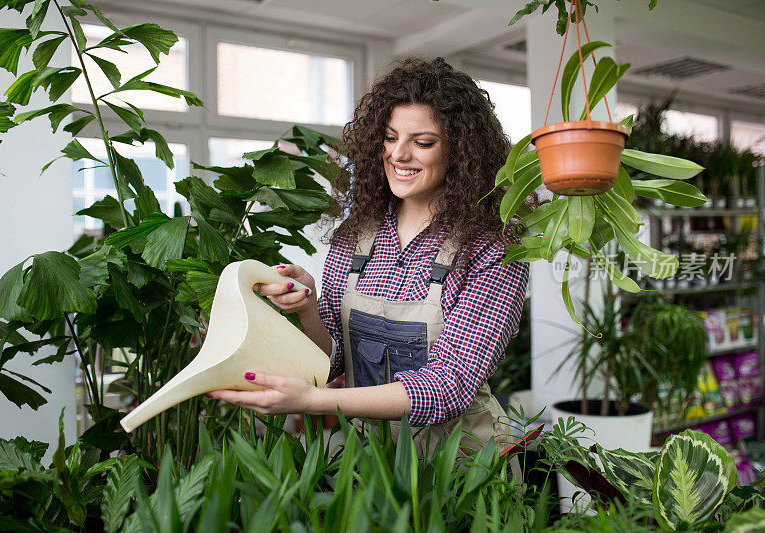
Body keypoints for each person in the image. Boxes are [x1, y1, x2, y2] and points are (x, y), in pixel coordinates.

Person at [207, 57, 532, 460]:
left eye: (423, 142)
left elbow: (450, 386)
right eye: (390, 137)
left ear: (461, 153)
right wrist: (307, 305)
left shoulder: (492, 248)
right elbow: (333, 357)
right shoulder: (358, 236)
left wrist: (314, 402)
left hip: (461, 466)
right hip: (370, 459)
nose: (399, 154)